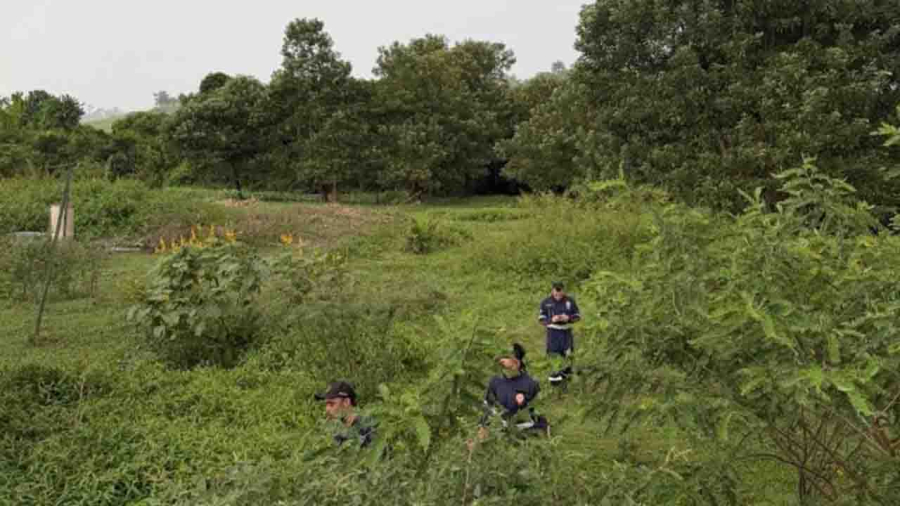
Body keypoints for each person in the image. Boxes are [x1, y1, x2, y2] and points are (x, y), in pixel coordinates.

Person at [477, 343, 549, 440]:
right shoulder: (495, 381)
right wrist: (483, 428)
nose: (503, 361)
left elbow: (537, 410)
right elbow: (488, 406)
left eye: (512, 359)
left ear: (518, 362)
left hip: (524, 429)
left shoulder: (530, 384)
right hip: (502, 426)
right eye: (504, 358)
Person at [538, 281, 581, 384]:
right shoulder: (546, 302)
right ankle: (555, 380)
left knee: (568, 354)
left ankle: (567, 377)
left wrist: (568, 318)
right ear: (552, 290)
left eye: (560, 291)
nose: (558, 294)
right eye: (555, 291)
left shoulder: (570, 301)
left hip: (566, 332)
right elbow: (541, 319)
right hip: (553, 332)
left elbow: (577, 317)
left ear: (563, 290)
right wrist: (552, 319)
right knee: (553, 354)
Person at [314, 380, 376, 448]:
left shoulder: (368, 429)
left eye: (331, 404)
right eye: (326, 404)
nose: (327, 409)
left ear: (346, 402)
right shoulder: (335, 428)